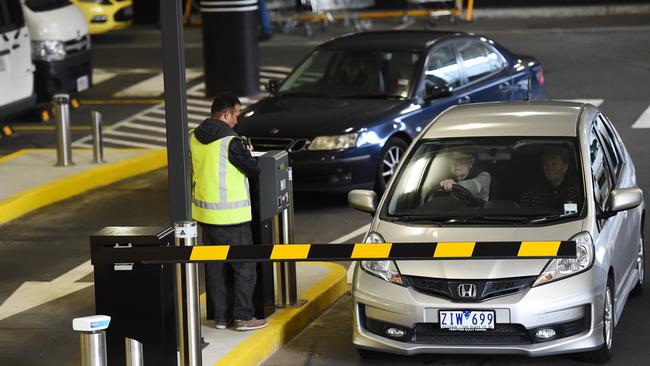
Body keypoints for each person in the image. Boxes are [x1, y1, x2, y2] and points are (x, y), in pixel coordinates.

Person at [190, 93, 267, 331]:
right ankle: (244, 317)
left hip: (205, 215)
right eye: (236, 115)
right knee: (244, 266)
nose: (237, 120)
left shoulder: (193, 137)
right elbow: (254, 169)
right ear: (226, 114)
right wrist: (247, 150)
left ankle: (221, 318)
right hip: (231, 217)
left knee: (215, 268)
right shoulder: (230, 141)